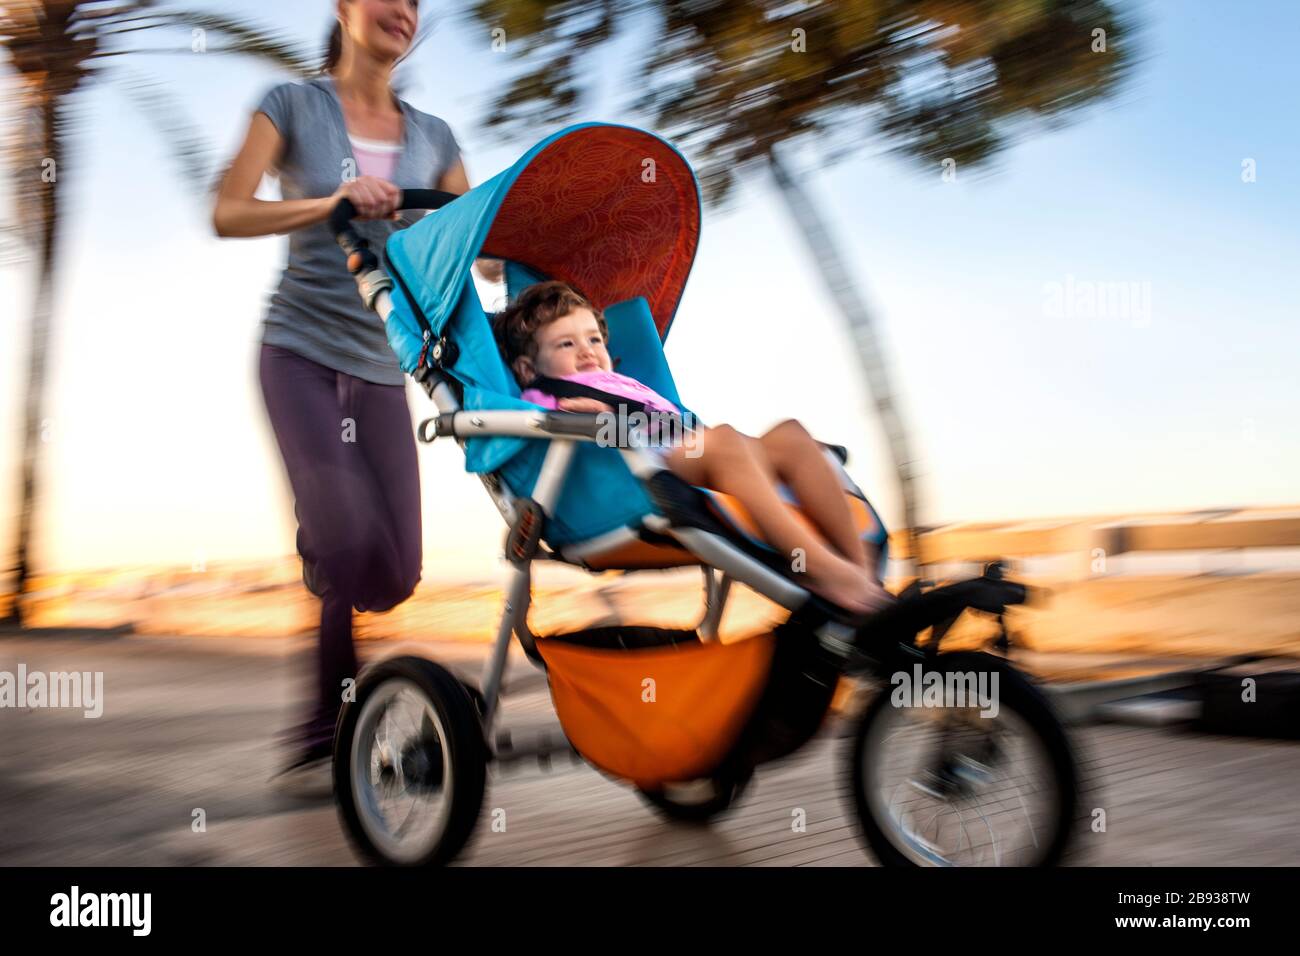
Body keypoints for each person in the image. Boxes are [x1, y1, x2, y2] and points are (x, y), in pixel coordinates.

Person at [212, 0, 502, 777]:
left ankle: (326, 636)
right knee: (342, 537)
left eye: (413, 2)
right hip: (297, 352)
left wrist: (507, 247)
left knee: (394, 574)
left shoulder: (436, 138)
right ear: (343, 8)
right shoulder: (291, 106)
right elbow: (228, 212)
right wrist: (330, 203)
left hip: (381, 367)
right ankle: (330, 720)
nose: (401, 11)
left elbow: (476, 245)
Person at [492, 281, 893, 615]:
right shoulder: (542, 393)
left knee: (792, 435)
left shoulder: (623, 382)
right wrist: (575, 413)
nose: (586, 351)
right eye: (566, 344)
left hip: (692, 446)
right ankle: (822, 570)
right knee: (725, 440)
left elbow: (678, 423)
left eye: (594, 338)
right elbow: (538, 422)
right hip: (650, 471)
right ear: (529, 368)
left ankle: (861, 571)